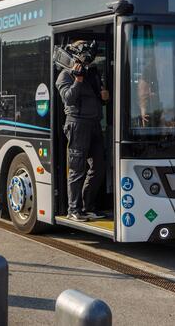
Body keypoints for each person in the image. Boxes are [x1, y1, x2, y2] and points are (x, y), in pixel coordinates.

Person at [56, 41, 109, 222]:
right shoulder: (64, 76)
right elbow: (68, 99)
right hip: (77, 124)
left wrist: (104, 97)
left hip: (94, 123)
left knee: (99, 167)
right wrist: (78, 80)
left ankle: (87, 207)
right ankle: (74, 210)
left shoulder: (92, 74)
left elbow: (100, 99)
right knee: (77, 170)